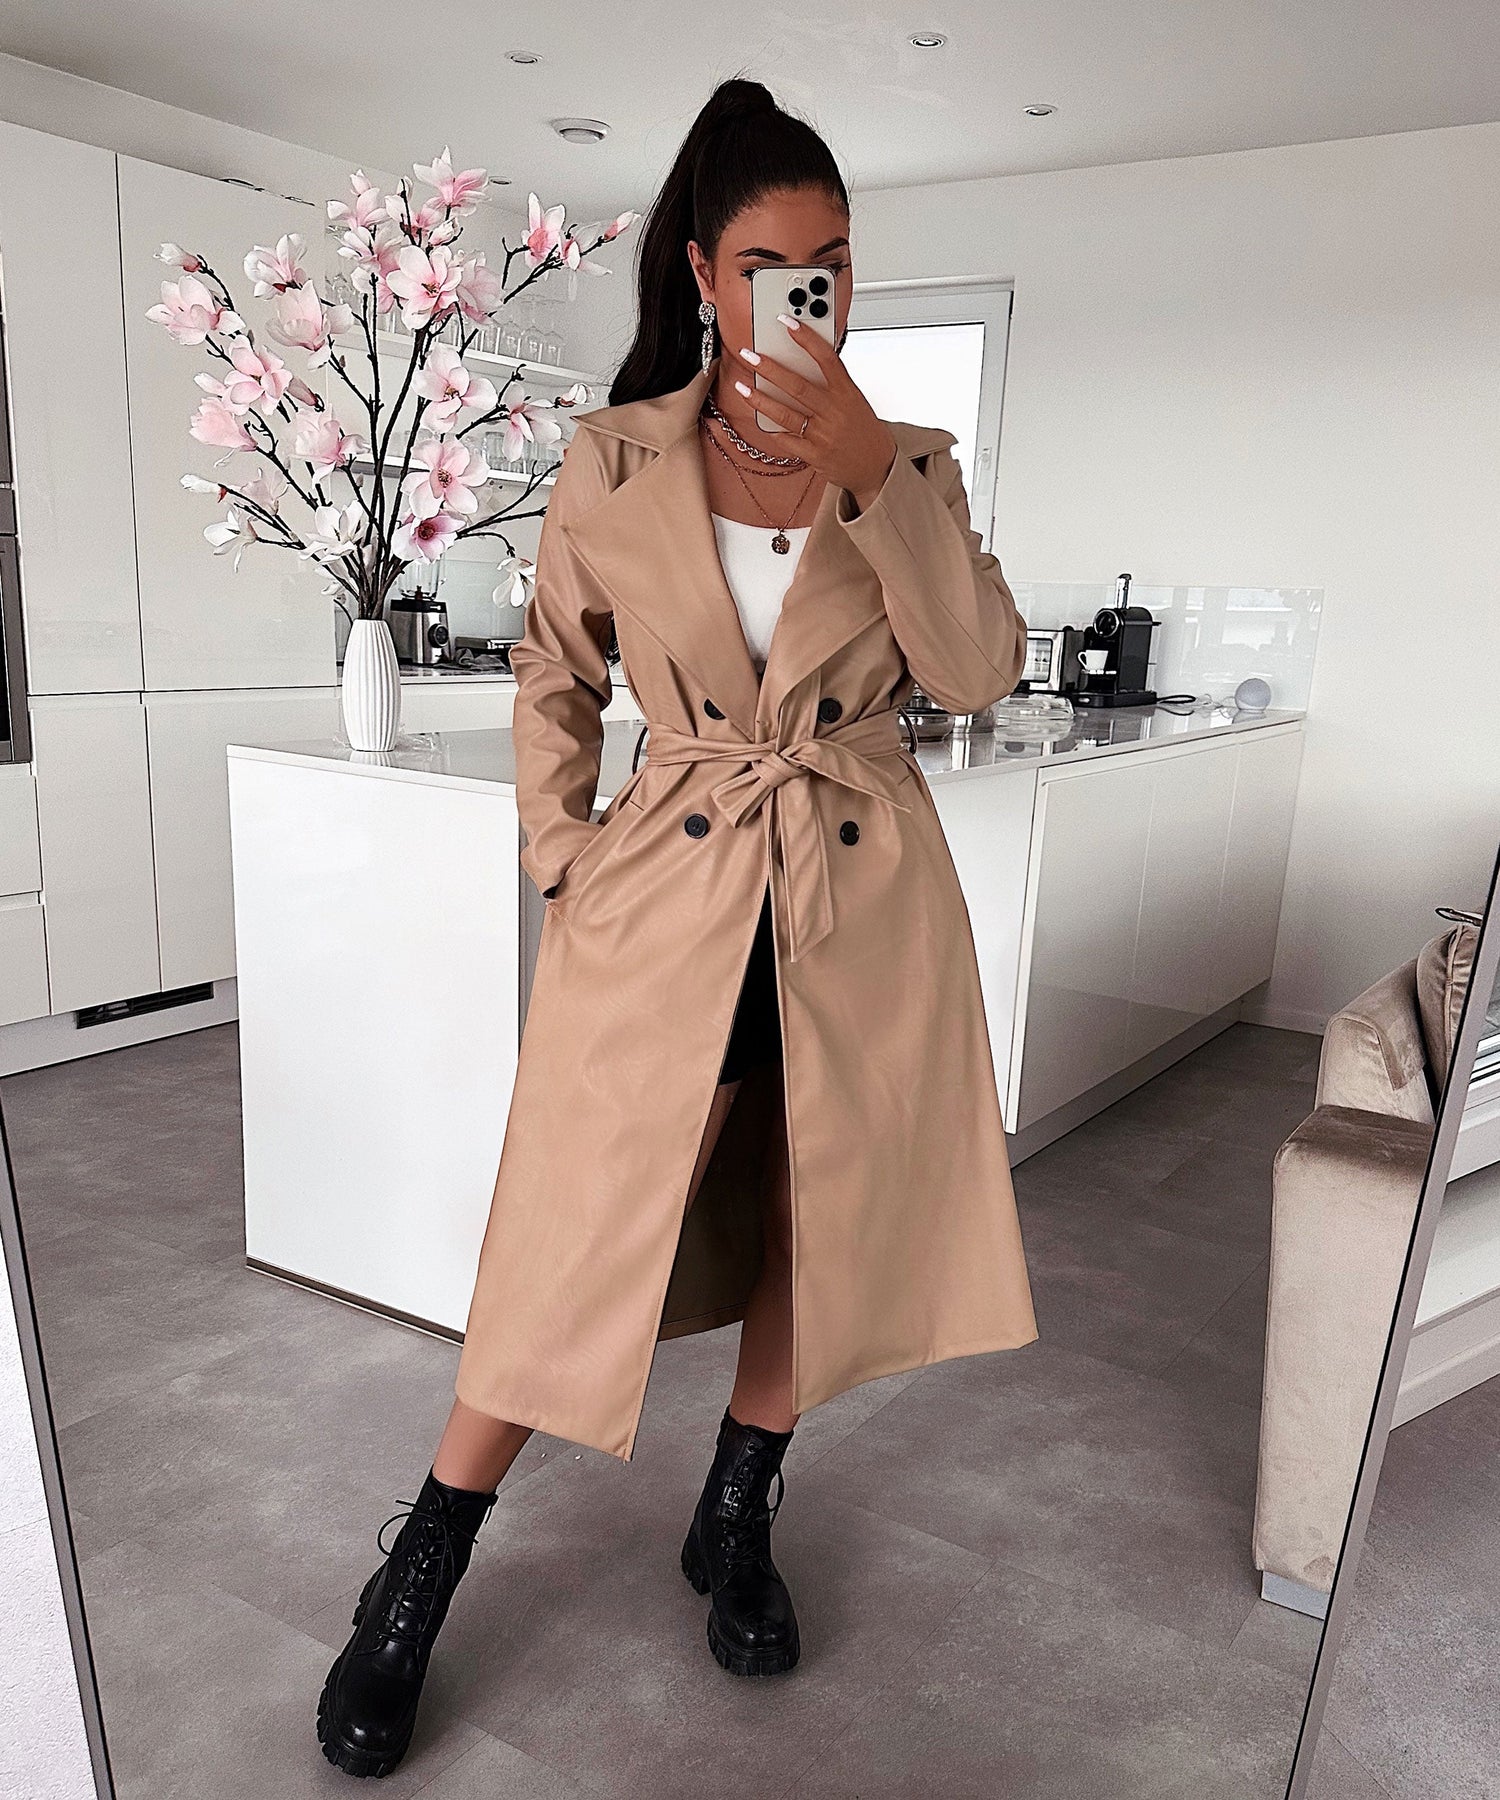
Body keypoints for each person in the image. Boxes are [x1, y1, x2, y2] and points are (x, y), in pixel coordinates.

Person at [318, 75, 1037, 1780]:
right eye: (774, 266)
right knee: (573, 1238)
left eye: (834, 263)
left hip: (857, 899)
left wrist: (871, 477)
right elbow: (554, 674)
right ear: (706, 276)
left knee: (813, 1217)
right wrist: (560, 854)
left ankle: (737, 1511)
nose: (811, 294)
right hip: (669, 894)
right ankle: (422, 1565)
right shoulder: (618, 459)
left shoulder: (915, 466)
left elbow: (976, 673)